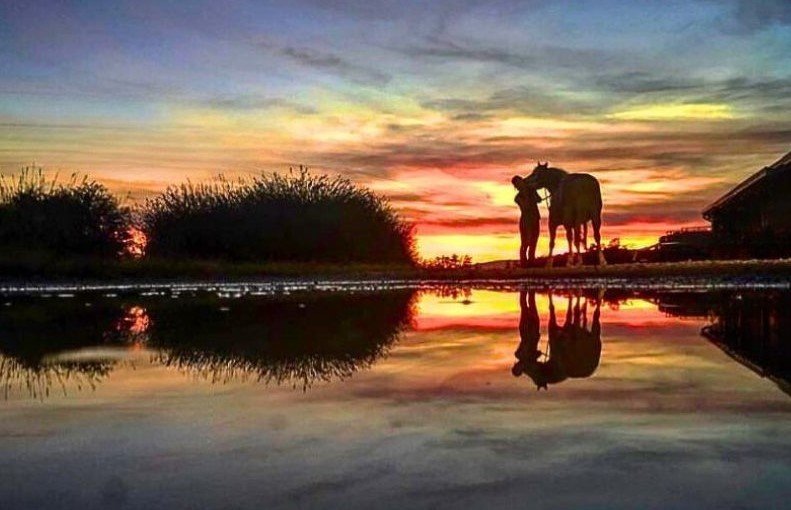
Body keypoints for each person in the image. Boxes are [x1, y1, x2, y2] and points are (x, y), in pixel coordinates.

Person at [512, 175, 542, 267]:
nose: (521, 183)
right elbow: (525, 207)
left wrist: (532, 190)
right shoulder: (518, 198)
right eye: (518, 183)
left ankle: (531, 262)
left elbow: (539, 199)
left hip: (535, 219)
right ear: (516, 186)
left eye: (521, 181)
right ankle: (524, 263)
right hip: (526, 221)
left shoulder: (531, 190)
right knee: (525, 243)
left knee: (533, 242)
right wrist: (529, 195)